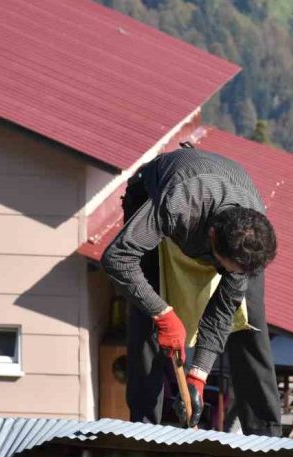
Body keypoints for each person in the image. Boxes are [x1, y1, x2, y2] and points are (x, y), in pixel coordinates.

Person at [102, 146, 282, 435]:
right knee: (146, 322)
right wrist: (162, 314)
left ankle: (268, 439)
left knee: (250, 324)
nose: (228, 275)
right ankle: (144, 430)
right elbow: (117, 258)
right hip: (155, 195)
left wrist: (198, 375)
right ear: (212, 240)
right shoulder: (176, 205)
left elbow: (222, 312)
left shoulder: (251, 236)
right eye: (225, 267)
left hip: (222, 198)